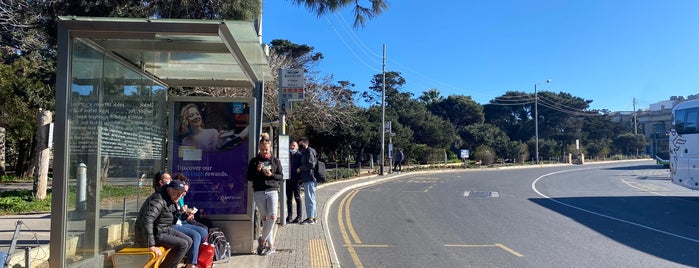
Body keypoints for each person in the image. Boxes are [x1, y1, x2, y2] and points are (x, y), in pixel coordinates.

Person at [135, 179, 193, 268]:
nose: (179, 196)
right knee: (182, 244)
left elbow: (170, 218)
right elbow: (147, 221)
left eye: (181, 194)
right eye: (177, 193)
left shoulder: (170, 199)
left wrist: (182, 214)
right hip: (154, 234)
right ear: (169, 189)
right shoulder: (158, 200)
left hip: (163, 229)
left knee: (189, 241)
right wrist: (151, 245)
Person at [247, 133, 283, 255]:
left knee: (272, 217)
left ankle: (262, 241)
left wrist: (271, 175)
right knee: (266, 219)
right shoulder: (254, 161)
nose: (264, 152)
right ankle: (271, 246)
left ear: (270, 148)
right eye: (262, 150)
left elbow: (281, 176)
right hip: (259, 192)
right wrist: (257, 170)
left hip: (272, 191)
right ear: (259, 148)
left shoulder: (275, 161)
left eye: (266, 150)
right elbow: (249, 177)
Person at [172, 173, 209, 268]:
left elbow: (177, 213)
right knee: (196, 235)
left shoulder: (179, 196)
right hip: (174, 224)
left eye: (185, 192)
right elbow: (172, 215)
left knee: (204, 231)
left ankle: (195, 257)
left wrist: (185, 213)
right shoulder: (171, 197)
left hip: (179, 221)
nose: (184, 194)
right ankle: (190, 264)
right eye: (183, 191)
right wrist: (182, 212)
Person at [297, 137, 318, 225]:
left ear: (305, 143)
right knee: (311, 198)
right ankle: (313, 217)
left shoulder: (309, 151)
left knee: (309, 199)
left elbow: (311, 164)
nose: (299, 145)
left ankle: (310, 218)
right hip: (308, 178)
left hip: (309, 178)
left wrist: (300, 168)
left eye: (301, 143)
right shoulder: (307, 151)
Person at [286, 141, 303, 224]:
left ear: (297, 147)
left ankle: (299, 216)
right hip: (288, 180)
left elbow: (301, 167)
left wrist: (300, 179)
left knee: (297, 198)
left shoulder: (299, 155)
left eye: (294, 145)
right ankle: (289, 216)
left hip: (296, 180)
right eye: (291, 145)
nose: (292, 147)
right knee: (289, 199)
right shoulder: (287, 155)